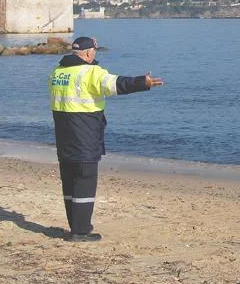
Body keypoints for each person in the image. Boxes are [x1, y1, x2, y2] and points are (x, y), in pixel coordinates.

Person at [49, 36, 164, 242]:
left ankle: (75, 225)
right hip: (84, 136)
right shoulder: (91, 72)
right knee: (84, 181)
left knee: (69, 182)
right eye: (94, 51)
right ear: (88, 53)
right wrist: (142, 82)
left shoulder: (58, 72)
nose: (95, 55)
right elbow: (115, 84)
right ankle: (81, 231)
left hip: (64, 136)